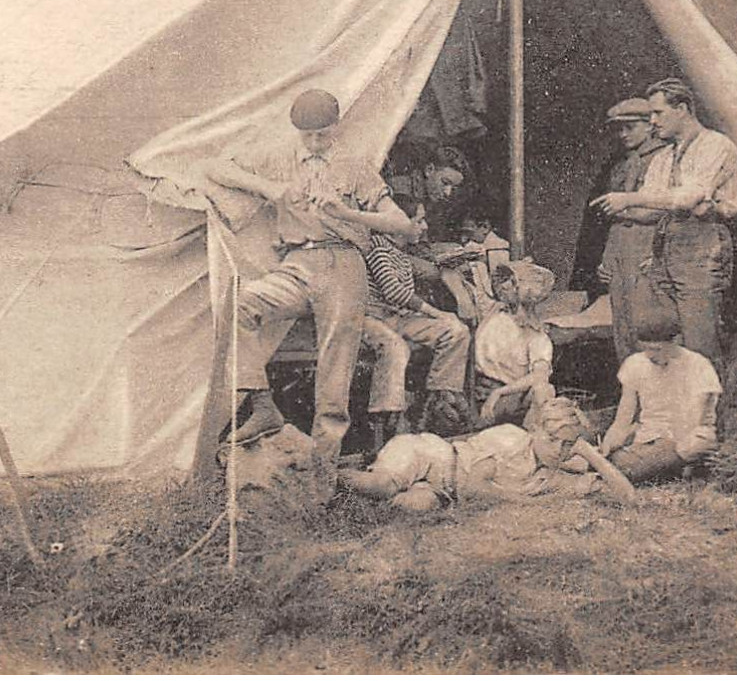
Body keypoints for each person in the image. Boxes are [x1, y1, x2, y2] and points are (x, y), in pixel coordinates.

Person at [202, 88, 420, 498]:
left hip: (343, 267)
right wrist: (268, 188)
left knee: (333, 379)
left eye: (323, 135)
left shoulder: (355, 167)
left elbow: (402, 224)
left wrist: (345, 212)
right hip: (296, 263)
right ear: (296, 131)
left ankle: (320, 490)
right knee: (241, 307)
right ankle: (263, 406)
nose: (316, 143)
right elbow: (212, 167)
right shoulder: (278, 157)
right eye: (308, 136)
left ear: (336, 128)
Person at [592, 78, 737, 398]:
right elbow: (653, 206)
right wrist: (624, 210)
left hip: (702, 245)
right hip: (667, 245)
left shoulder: (715, 145)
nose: (654, 121)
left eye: (659, 113)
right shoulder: (665, 157)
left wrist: (630, 200)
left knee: (699, 341)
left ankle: (707, 429)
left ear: (683, 109)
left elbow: (686, 198)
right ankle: (671, 417)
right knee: (661, 337)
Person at [339, 396, 620, 509]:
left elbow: (624, 493)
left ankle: (344, 496)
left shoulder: (551, 462)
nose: (560, 450)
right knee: (384, 486)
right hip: (430, 456)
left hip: (444, 490)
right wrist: (522, 501)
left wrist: (591, 454)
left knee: (408, 508)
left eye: (568, 444)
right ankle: (324, 474)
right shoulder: (513, 440)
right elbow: (474, 486)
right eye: (554, 440)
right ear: (537, 430)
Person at [359, 198, 473, 450]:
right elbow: (393, 292)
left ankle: (439, 399)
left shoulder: (401, 253)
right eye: (418, 220)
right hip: (375, 318)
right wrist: (437, 313)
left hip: (399, 319)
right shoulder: (377, 247)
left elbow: (425, 274)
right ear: (398, 223)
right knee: (395, 349)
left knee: (457, 331)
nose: (424, 226)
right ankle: (387, 423)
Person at [599, 322, 722, 484]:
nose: (650, 355)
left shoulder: (698, 365)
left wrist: (661, 449)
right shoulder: (635, 363)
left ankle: (636, 470)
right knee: (616, 454)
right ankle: (665, 470)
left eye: (657, 349)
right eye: (646, 349)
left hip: (686, 437)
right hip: (649, 438)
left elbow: (692, 419)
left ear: (675, 342)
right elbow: (623, 419)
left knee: (696, 444)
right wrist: (607, 446)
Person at [594, 99, 669, 362]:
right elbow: (612, 218)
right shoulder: (620, 164)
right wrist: (607, 257)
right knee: (622, 324)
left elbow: (664, 210)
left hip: (648, 244)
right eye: (619, 129)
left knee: (648, 322)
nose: (623, 134)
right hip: (620, 248)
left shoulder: (665, 158)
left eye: (630, 127)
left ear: (650, 125)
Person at [473, 260, 557, 427]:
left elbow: (539, 376)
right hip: (475, 391)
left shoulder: (537, 337)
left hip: (507, 396)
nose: (503, 286)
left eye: (511, 282)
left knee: (544, 390)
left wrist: (498, 393)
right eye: (503, 280)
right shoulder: (493, 311)